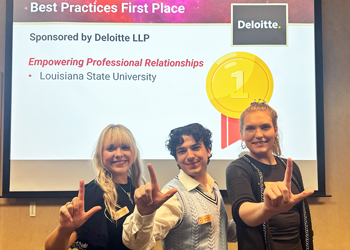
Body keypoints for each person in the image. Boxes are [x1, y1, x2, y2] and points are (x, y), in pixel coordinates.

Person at [123, 123, 236, 250]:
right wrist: (144, 214)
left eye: (195, 148)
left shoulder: (213, 186)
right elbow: (137, 244)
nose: (190, 156)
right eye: (182, 151)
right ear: (176, 159)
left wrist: (258, 212)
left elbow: (217, 231)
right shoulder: (173, 195)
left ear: (208, 151)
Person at [226, 99, 314, 250]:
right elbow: (243, 212)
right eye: (250, 128)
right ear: (241, 134)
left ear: (275, 129)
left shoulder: (290, 167)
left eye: (265, 127)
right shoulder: (238, 168)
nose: (258, 134)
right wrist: (268, 209)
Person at [45, 124, 144, 250]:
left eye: (125, 147)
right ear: (100, 155)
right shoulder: (93, 193)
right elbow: (51, 248)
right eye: (111, 148)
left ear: (134, 152)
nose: (119, 154)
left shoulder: (139, 190)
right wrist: (64, 230)